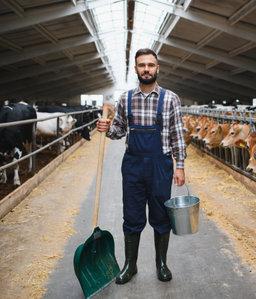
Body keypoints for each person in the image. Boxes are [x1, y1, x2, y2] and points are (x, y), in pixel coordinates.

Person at [97, 48, 186, 284]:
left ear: (157, 68)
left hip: (161, 165)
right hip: (133, 164)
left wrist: (180, 166)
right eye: (141, 65)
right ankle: (130, 265)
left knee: (160, 215)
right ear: (135, 69)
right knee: (132, 215)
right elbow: (118, 131)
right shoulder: (125, 98)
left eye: (150, 65)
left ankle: (162, 264)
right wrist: (106, 130)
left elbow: (177, 135)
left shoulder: (170, 99)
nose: (146, 69)